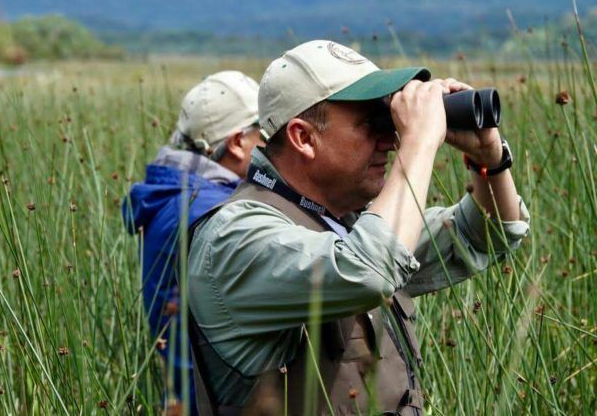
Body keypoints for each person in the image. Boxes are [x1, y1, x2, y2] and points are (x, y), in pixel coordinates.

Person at [187, 41, 530, 415]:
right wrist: (420, 140)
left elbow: (487, 232)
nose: (391, 139)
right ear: (304, 137)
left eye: (391, 121)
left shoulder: (345, 223)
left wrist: (489, 161)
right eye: (373, 123)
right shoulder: (234, 238)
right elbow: (368, 269)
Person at [124, 71, 263, 414]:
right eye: (266, 132)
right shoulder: (204, 210)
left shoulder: (184, 196)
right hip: (211, 401)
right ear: (237, 142)